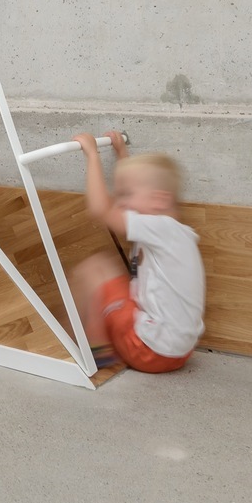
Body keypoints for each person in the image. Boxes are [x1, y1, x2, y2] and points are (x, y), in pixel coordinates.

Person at [69, 131, 205, 373]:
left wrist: (92, 155)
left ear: (159, 201)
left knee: (95, 268)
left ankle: (95, 351)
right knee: (117, 277)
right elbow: (134, 196)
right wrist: (122, 153)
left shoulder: (160, 228)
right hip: (178, 352)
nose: (120, 202)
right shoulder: (171, 231)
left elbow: (101, 209)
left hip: (148, 351)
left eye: (125, 195)